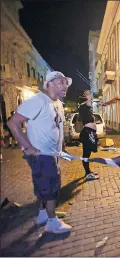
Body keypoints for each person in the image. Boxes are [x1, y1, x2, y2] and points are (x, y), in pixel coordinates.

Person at [7, 71, 72, 234]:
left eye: (66, 83)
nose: (65, 86)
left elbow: (57, 128)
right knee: (50, 188)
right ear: (49, 84)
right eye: (61, 82)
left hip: (52, 154)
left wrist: (61, 149)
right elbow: (13, 123)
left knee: (44, 185)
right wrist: (27, 147)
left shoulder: (58, 104)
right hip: (41, 155)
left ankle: (44, 214)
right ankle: (52, 221)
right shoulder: (38, 101)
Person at [78, 90, 99, 180]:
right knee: (86, 154)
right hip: (87, 133)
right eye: (87, 95)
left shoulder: (85, 107)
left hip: (89, 132)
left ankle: (88, 171)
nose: (90, 96)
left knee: (88, 153)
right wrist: (88, 97)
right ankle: (87, 174)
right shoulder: (84, 106)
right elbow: (89, 102)